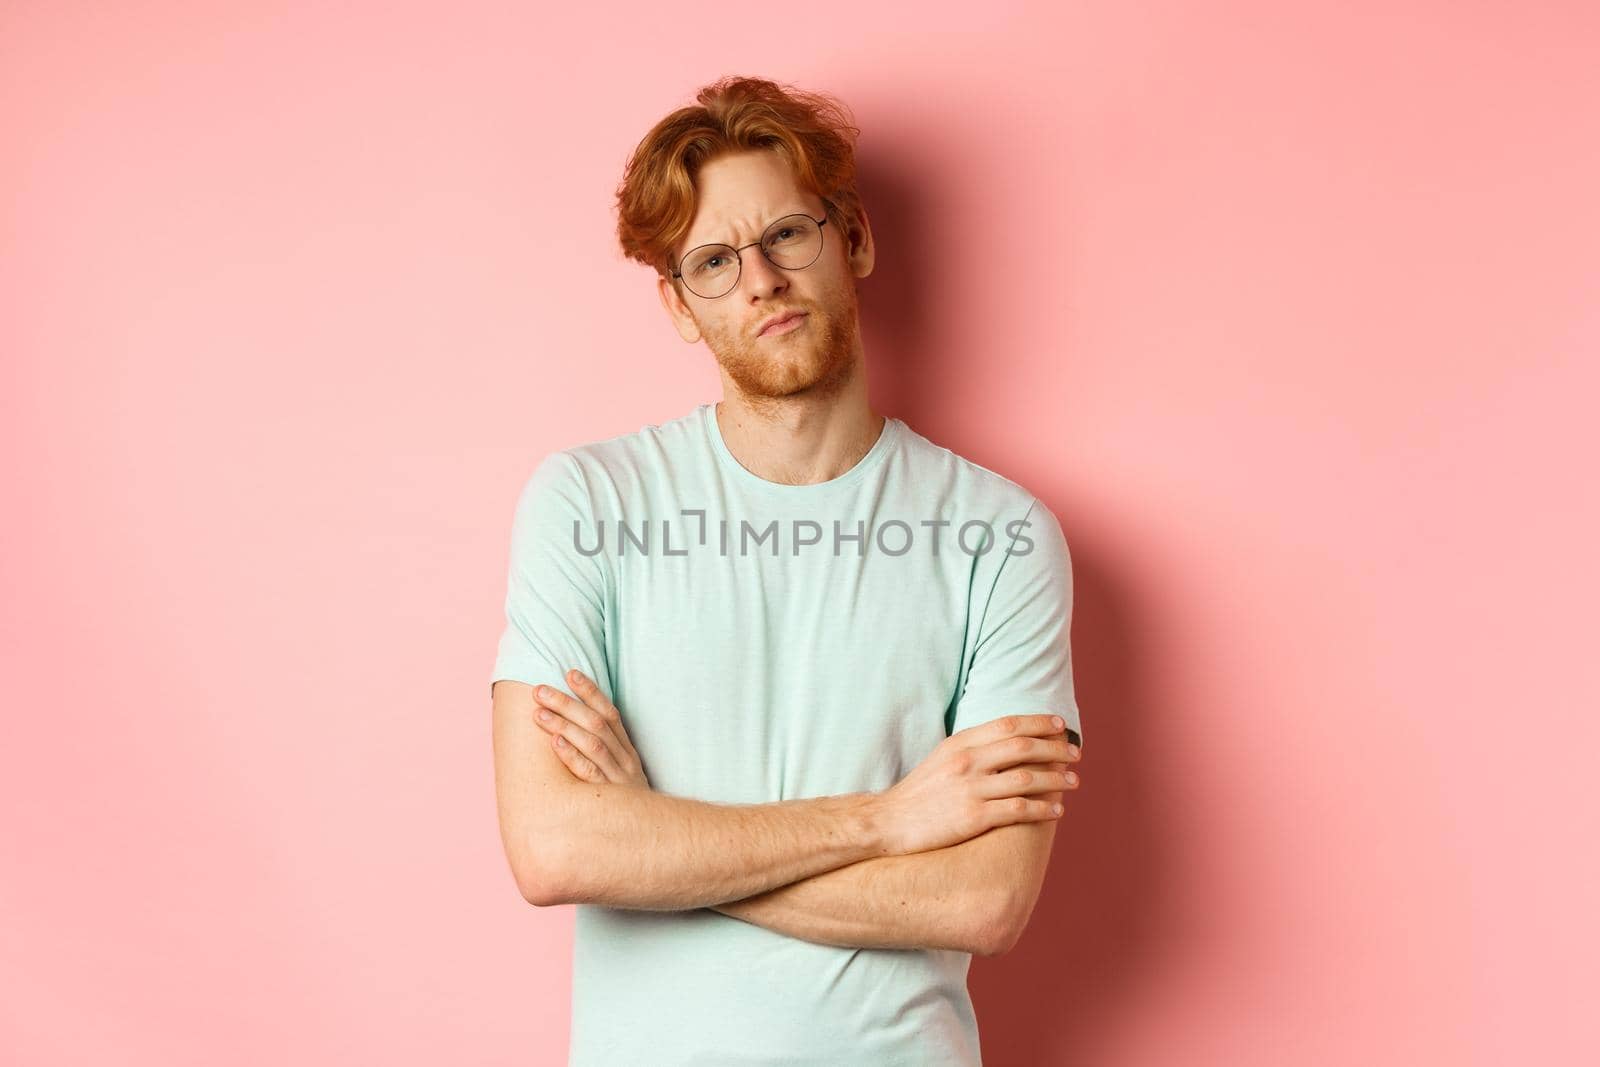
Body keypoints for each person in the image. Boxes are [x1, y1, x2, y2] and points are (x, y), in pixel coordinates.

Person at [489, 74, 1085, 1067]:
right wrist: (890, 819)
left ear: (851, 239)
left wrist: (656, 843)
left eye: (785, 237)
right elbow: (555, 849)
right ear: (679, 303)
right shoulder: (590, 504)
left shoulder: (1001, 534)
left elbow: (986, 897)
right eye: (713, 261)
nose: (758, 279)